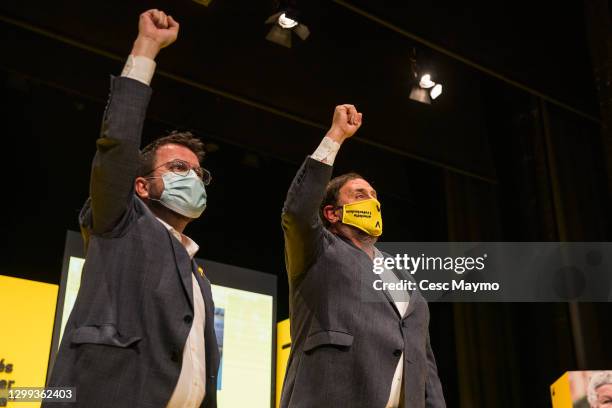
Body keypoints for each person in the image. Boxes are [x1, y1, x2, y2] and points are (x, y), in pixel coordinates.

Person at [44, 9, 219, 408]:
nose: (191, 177)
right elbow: (118, 145)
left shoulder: (198, 275)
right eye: (177, 168)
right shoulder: (119, 220)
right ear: (140, 185)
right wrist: (147, 49)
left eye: (197, 172)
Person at [280, 104, 445, 407]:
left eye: (374, 197)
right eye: (359, 195)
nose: (372, 202)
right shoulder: (319, 251)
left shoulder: (406, 280)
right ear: (331, 212)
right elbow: (298, 212)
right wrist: (336, 136)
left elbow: (425, 367)